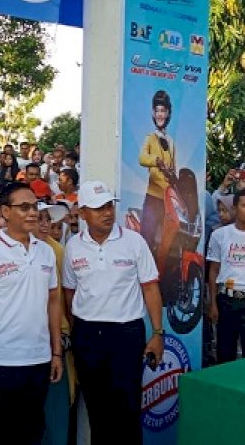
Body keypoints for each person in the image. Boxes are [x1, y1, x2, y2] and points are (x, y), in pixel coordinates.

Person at [61, 180, 163, 445]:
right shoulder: (73, 246)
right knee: (97, 409)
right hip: (87, 336)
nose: (107, 212)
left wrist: (157, 333)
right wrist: (78, 330)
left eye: (109, 206)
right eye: (98, 208)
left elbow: (151, 288)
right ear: (82, 213)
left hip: (126, 334)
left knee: (127, 408)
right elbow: (69, 293)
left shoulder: (133, 241)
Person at [0, 183, 63, 445]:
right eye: (24, 207)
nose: (33, 213)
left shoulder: (45, 251)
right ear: (5, 212)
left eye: (35, 206)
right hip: (2, 363)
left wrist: (56, 352)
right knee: (1, 435)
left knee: (33, 432)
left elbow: (54, 303)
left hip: (40, 360)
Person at [207, 189, 245, 364]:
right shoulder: (220, 235)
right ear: (234, 208)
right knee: (225, 353)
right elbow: (213, 270)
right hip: (227, 301)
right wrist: (213, 304)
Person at [35, 202, 75, 445]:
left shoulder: (58, 251)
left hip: (57, 340)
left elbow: (63, 297)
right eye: (38, 218)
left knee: (56, 410)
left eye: (46, 219)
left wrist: (64, 332)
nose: (43, 224)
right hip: (25, 344)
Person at [138, 90, 176, 253]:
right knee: (148, 237)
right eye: (157, 111)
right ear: (153, 113)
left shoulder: (171, 141)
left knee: (169, 240)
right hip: (153, 197)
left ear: (168, 113)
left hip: (169, 199)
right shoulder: (150, 138)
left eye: (163, 111)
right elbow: (142, 158)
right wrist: (156, 161)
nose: (160, 114)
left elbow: (174, 168)